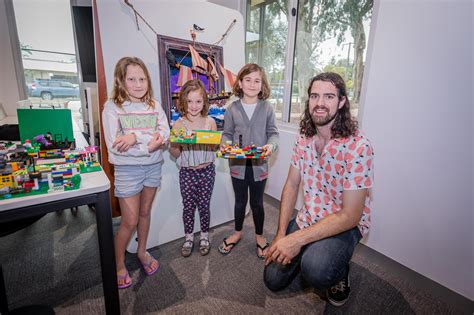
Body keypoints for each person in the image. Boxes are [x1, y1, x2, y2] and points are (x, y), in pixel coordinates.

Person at [263, 72, 374, 306]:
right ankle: (309, 251)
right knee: (271, 279)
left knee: (317, 270)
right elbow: (292, 185)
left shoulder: (358, 146)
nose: (320, 103)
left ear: (342, 102)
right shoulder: (304, 138)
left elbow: (350, 215)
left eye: (329, 96)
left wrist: (296, 241)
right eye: (315, 96)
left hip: (344, 225)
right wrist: (281, 235)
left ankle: (338, 271)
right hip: (309, 217)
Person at [102, 56, 170, 289]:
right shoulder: (112, 108)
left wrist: (135, 138)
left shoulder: (154, 105)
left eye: (142, 78)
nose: (138, 84)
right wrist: (149, 144)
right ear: (121, 80)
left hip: (153, 166)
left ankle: (141, 252)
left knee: (144, 212)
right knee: (129, 221)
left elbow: (165, 134)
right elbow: (115, 146)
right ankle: (118, 263)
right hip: (127, 170)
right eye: (132, 79)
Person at [218, 63, 279, 259]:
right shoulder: (232, 109)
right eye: (248, 80)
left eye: (257, 80)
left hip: (259, 166)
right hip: (238, 166)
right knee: (240, 202)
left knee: (257, 203)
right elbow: (226, 134)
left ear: (262, 85)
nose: (252, 84)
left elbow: (273, 134)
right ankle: (237, 233)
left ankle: (260, 236)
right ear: (241, 83)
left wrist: (271, 146)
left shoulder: (267, 108)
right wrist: (224, 144)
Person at [169, 79, 217, 257]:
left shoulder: (210, 122)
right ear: (183, 102)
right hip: (187, 172)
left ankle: (204, 236)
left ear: (204, 101)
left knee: (204, 206)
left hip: (207, 172)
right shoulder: (179, 124)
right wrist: (174, 143)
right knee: (188, 207)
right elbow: (175, 153)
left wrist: (214, 141)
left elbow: (214, 148)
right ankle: (188, 237)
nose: (194, 106)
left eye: (198, 101)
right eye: (189, 101)